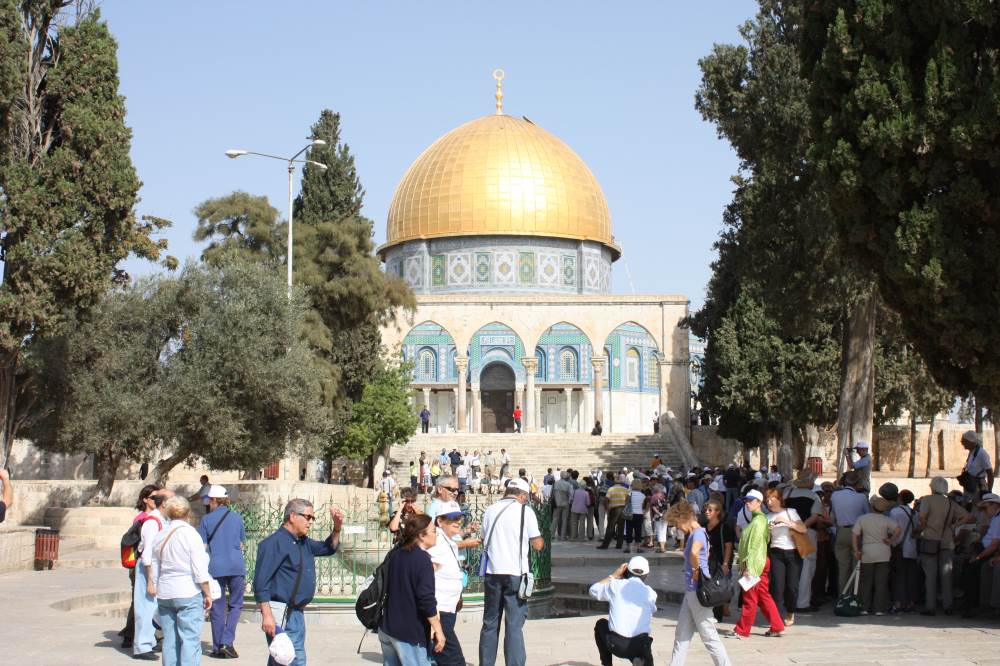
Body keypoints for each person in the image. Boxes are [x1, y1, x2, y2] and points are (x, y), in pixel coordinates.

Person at [253, 499, 344, 665]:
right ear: (293, 516)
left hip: (296, 613)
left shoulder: (303, 542)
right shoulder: (273, 543)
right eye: (307, 517)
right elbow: (261, 582)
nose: (310, 522)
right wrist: (267, 615)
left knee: (282, 658)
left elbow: (328, 548)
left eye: (312, 518)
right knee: (291, 659)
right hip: (281, 612)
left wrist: (337, 527)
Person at [478, 478, 545, 666]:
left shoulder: (490, 510)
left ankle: (486, 663)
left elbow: (483, 538)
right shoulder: (525, 511)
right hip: (516, 573)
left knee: (490, 623)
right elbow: (537, 544)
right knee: (514, 625)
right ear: (522, 495)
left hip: (492, 572)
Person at [666, 501, 732, 665]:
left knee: (709, 635)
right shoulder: (699, 532)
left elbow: (695, 552)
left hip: (697, 590)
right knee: (682, 634)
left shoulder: (697, 533)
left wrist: (696, 570)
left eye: (676, 523)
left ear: (683, 518)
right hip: (692, 592)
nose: (678, 528)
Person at [149, 496, 212, 666]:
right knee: (190, 640)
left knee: (170, 641)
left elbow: (154, 564)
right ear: (188, 513)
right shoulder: (191, 535)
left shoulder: (160, 535)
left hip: (166, 592)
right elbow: (199, 569)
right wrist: (207, 593)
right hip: (188, 591)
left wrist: (153, 584)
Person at [379, 514, 445, 665]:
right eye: (434, 530)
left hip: (388, 628)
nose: (437, 534)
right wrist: (439, 630)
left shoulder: (397, 554)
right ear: (422, 535)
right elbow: (426, 600)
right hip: (408, 633)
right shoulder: (422, 560)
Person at [197, 485, 246, 659]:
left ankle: (218, 646)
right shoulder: (237, 518)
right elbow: (241, 544)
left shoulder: (206, 520)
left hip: (215, 567)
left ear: (213, 500)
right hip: (236, 566)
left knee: (217, 607)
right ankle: (227, 641)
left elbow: (201, 547)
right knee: (236, 605)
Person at [917, 476, 973, 615]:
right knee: (946, 575)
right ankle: (948, 606)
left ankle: (930, 607)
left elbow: (922, 519)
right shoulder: (950, 503)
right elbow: (968, 516)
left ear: (933, 487)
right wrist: (954, 526)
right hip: (947, 542)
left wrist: (922, 530)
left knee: (930, 575)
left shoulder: (927, 500)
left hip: (930, 540)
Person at [733, 490, 785, 639]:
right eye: (746, 501)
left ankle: (742, 630)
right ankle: (777, 626)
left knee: (750, 598)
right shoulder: (760, 519)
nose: (747, 503)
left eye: (751, 500)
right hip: (760, 561)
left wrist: (749, 567)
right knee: (763, 596)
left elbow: (754, 545)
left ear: (759, 502)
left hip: (755, 562)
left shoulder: (758, 521)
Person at [588, 556, 658, 666]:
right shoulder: (651, 593)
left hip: (617, 645)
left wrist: (614, 576)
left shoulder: (615, 585)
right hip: (641, 645)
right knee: (643, 640)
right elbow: (652, 609)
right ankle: (640, 658)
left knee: (601, 624)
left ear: (626, 570)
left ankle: (607, 664)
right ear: (647, 575)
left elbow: (593, 590)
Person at [426, 501, 469, 665]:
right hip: (439, 612)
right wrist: (433, 619)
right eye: (452, 518)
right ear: (440, 521)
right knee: (454, 660)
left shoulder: (448, 540)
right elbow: (426, 578)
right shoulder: (436, 541)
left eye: (459, 517)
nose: (458, 521)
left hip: (447, 610)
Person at [120, 484, 161, 651]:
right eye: (154, 498)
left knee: (148, 602)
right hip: (142, 564)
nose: (157, 501)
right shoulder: (143, 518)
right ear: (145, 499)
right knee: (139, 602)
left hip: (149, 565)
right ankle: (130, 635)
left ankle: (147, 636)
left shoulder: (154, 517)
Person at [134, 487, 172, 659]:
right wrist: (150, 579)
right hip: (148, 570)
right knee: (145, 607)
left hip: (157, 569)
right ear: (163, 503)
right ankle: (142, 646)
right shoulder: (152, 522)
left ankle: (150, 641)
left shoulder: (164, 520)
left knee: (154, 607)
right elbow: (147, 553)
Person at [853, 495, 901, 615]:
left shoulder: (863, 518)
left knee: (866, 581)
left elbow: (855, 534)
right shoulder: (886, 519)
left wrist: (856, 550)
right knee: (881, 581)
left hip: (868, 551)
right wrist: (891, 540)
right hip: (883, 551)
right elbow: (898, 529)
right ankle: (879, 609)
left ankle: (864, 608)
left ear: (872, 506)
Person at [764, 487, 806, 626]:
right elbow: (765, 540)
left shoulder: (791, 512)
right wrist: (768, 531)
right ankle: (776, 618)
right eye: (767, 499)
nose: (769, 502)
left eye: (772, 498)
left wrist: (787, 522)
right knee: (777, 587)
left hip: (793, 552)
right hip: (776, 552)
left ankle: (790, 611)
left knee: (792, 587)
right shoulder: (767, 517)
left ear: (779, 499)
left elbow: (803, 529)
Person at [784, 469, 823, 614]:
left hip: (787, 534)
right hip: (806, 533)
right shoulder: (814, 497)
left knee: (791, 568)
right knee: (807, 568)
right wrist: (801, 527)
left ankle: (789, 601)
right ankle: (802, 603)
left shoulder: (787, 495)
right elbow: (814, 517)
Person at [829, 471, 870, 595]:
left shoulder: (835, 495)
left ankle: (843, 595)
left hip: (841, 531)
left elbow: (834, 513)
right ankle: (855, 595)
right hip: (857, 532)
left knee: (843, 568)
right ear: (857, 483)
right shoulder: (861, 497)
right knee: (857, 567)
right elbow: (867, 514)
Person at [960, 492, 1000, 617]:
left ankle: (980, 604)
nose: (984, 512)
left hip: (990, 551)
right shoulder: (995, 519)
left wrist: (978, 557)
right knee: (968, 567)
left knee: (974, 569)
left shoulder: (998, 519)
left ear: (994, 505)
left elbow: (994, 545)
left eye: (985, 508)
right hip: (985, 549)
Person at [703, 499, 736, 624]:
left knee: (718, 588)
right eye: (706, 509)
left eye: (710, 510)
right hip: (706, 562)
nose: (707, 512)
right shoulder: (703, 526)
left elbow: (728, 546)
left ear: (717, 512)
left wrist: (726, 564)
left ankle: (718, 615)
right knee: (707, 587)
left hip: (719, 561)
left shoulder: (724, 527)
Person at [889, 489, 919, 613]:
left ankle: (898, 603)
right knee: (911, 577)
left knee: (899, 576)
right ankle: (910, 603)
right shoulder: (914, 513)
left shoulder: (895, 512)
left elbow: (892, 530)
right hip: (911, 548)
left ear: (900, 498)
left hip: (899, 547)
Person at [597, 475, 629, 550]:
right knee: (621, 527)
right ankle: (619, 545)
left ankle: (605, 545)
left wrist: (608, 508)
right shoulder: (625, 489)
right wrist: (625, 506)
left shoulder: (611, 489)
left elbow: (606, 499)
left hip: (614, 509)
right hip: (622, 508)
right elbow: (628, 499)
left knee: (610, 527)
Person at [960, 430, 994, 496]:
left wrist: (989, 491)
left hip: (978, 487)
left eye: (963, 441)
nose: (962, 443)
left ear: (970, 442)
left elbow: (990, 473)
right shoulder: (972, 452)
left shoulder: (982, 454)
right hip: (970, 486)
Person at [624, 482, 647, 554]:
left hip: (630, 514)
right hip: (639, 514)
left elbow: (626, 503)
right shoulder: (643, 495)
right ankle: (639, 548)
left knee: (629, 530)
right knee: (638, 531)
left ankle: (628, 547)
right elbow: (643, 505)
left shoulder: (630, 493)